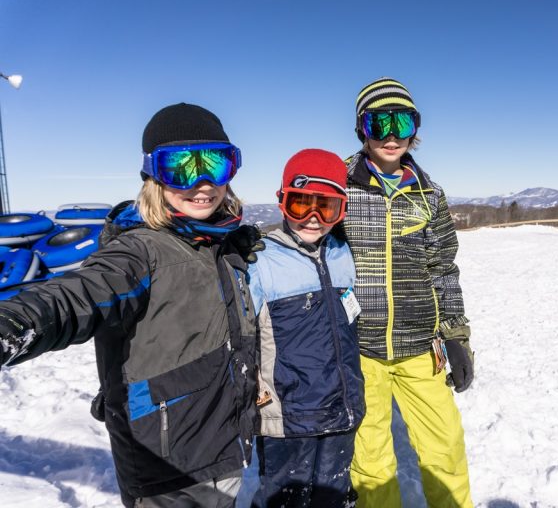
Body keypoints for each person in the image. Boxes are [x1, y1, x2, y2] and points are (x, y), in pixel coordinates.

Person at [0, 103, 264, 507]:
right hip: (169, 469)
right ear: (153, 176)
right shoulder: (139, 251)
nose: (203, 183)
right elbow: (77, 294)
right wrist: (15, 323)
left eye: (216, 164)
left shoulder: (217, 244)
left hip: (221, 447)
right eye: (180, 168)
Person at [343, 77, 475, 508]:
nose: (391, 135)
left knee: (445, 448)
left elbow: (443, 269)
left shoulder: (429, 194)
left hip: (421, 347)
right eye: (378, 123)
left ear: (415, 129)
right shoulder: (340, 185)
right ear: (361, 128)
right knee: (371, 461)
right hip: (359, 349)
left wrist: (456, 336)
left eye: (402, 122)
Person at [244, 149, 365, 507]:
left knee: (333, 494)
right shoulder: (260, 261)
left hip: (341, 408)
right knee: (284, 499)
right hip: (289, 417)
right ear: (282, 202)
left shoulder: (343, 253)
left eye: (326, 208)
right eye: (301, 206)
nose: (313, 219)